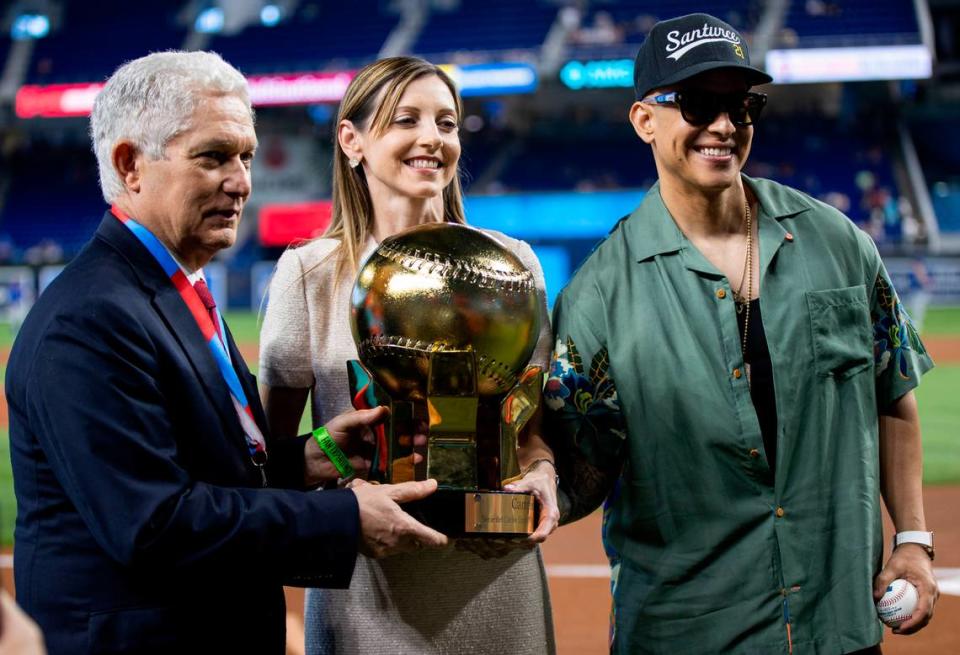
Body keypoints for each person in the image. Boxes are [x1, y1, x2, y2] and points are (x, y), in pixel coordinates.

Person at [6, 51, 448, 654]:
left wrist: (309, 458)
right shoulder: (89, 319)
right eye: (213, 157)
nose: (242, 181)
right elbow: (155, 523)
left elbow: (206, 467)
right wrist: (345, 520)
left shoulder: (171, 288)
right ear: (131, 165)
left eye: (244, 156)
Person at [543, 13, 939, 654]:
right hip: (685, 632)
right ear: (645, 120)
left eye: (742, 105)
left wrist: (914, 540)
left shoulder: (837, 242)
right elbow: (580, 472)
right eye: (698, 104)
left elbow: (891, 393)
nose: (724, 126)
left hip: (835, 627)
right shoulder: (596, 298)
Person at [259, 56, 559, 655]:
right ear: (353, 140)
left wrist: (543, 472)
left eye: (447, 124)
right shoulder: (309, 276)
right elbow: (270, 460)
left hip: (498, 586)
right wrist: (345, 499)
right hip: (369, 597)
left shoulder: (514, 265)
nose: (433, 138)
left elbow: (531, 429)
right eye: (406, 120)